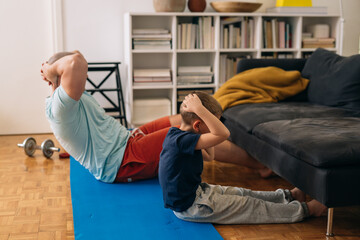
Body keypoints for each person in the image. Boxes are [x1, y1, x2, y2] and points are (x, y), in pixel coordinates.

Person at [41, 50, 270, 183]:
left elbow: (76, 58)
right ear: (59, 76)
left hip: (128, 139)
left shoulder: (69, 96)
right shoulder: (62, 106)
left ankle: (234, 148)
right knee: (188, 132)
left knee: (183, 118)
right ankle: (258, 163)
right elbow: (75, 62)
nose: (83, 76)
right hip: (120, 161)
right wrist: (51, 71)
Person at [158, 91, 327, 224]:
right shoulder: (181, 141)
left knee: (241, 193)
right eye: (211, 124)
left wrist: (206, 125)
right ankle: (307, 210)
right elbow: (224, 133)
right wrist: (201, 110)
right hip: (192, 206)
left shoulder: (180, 136)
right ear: (197, 125)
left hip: (198, 193)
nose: (213, 128)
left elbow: (210, 157)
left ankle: (288, 196)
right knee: (250, 207)